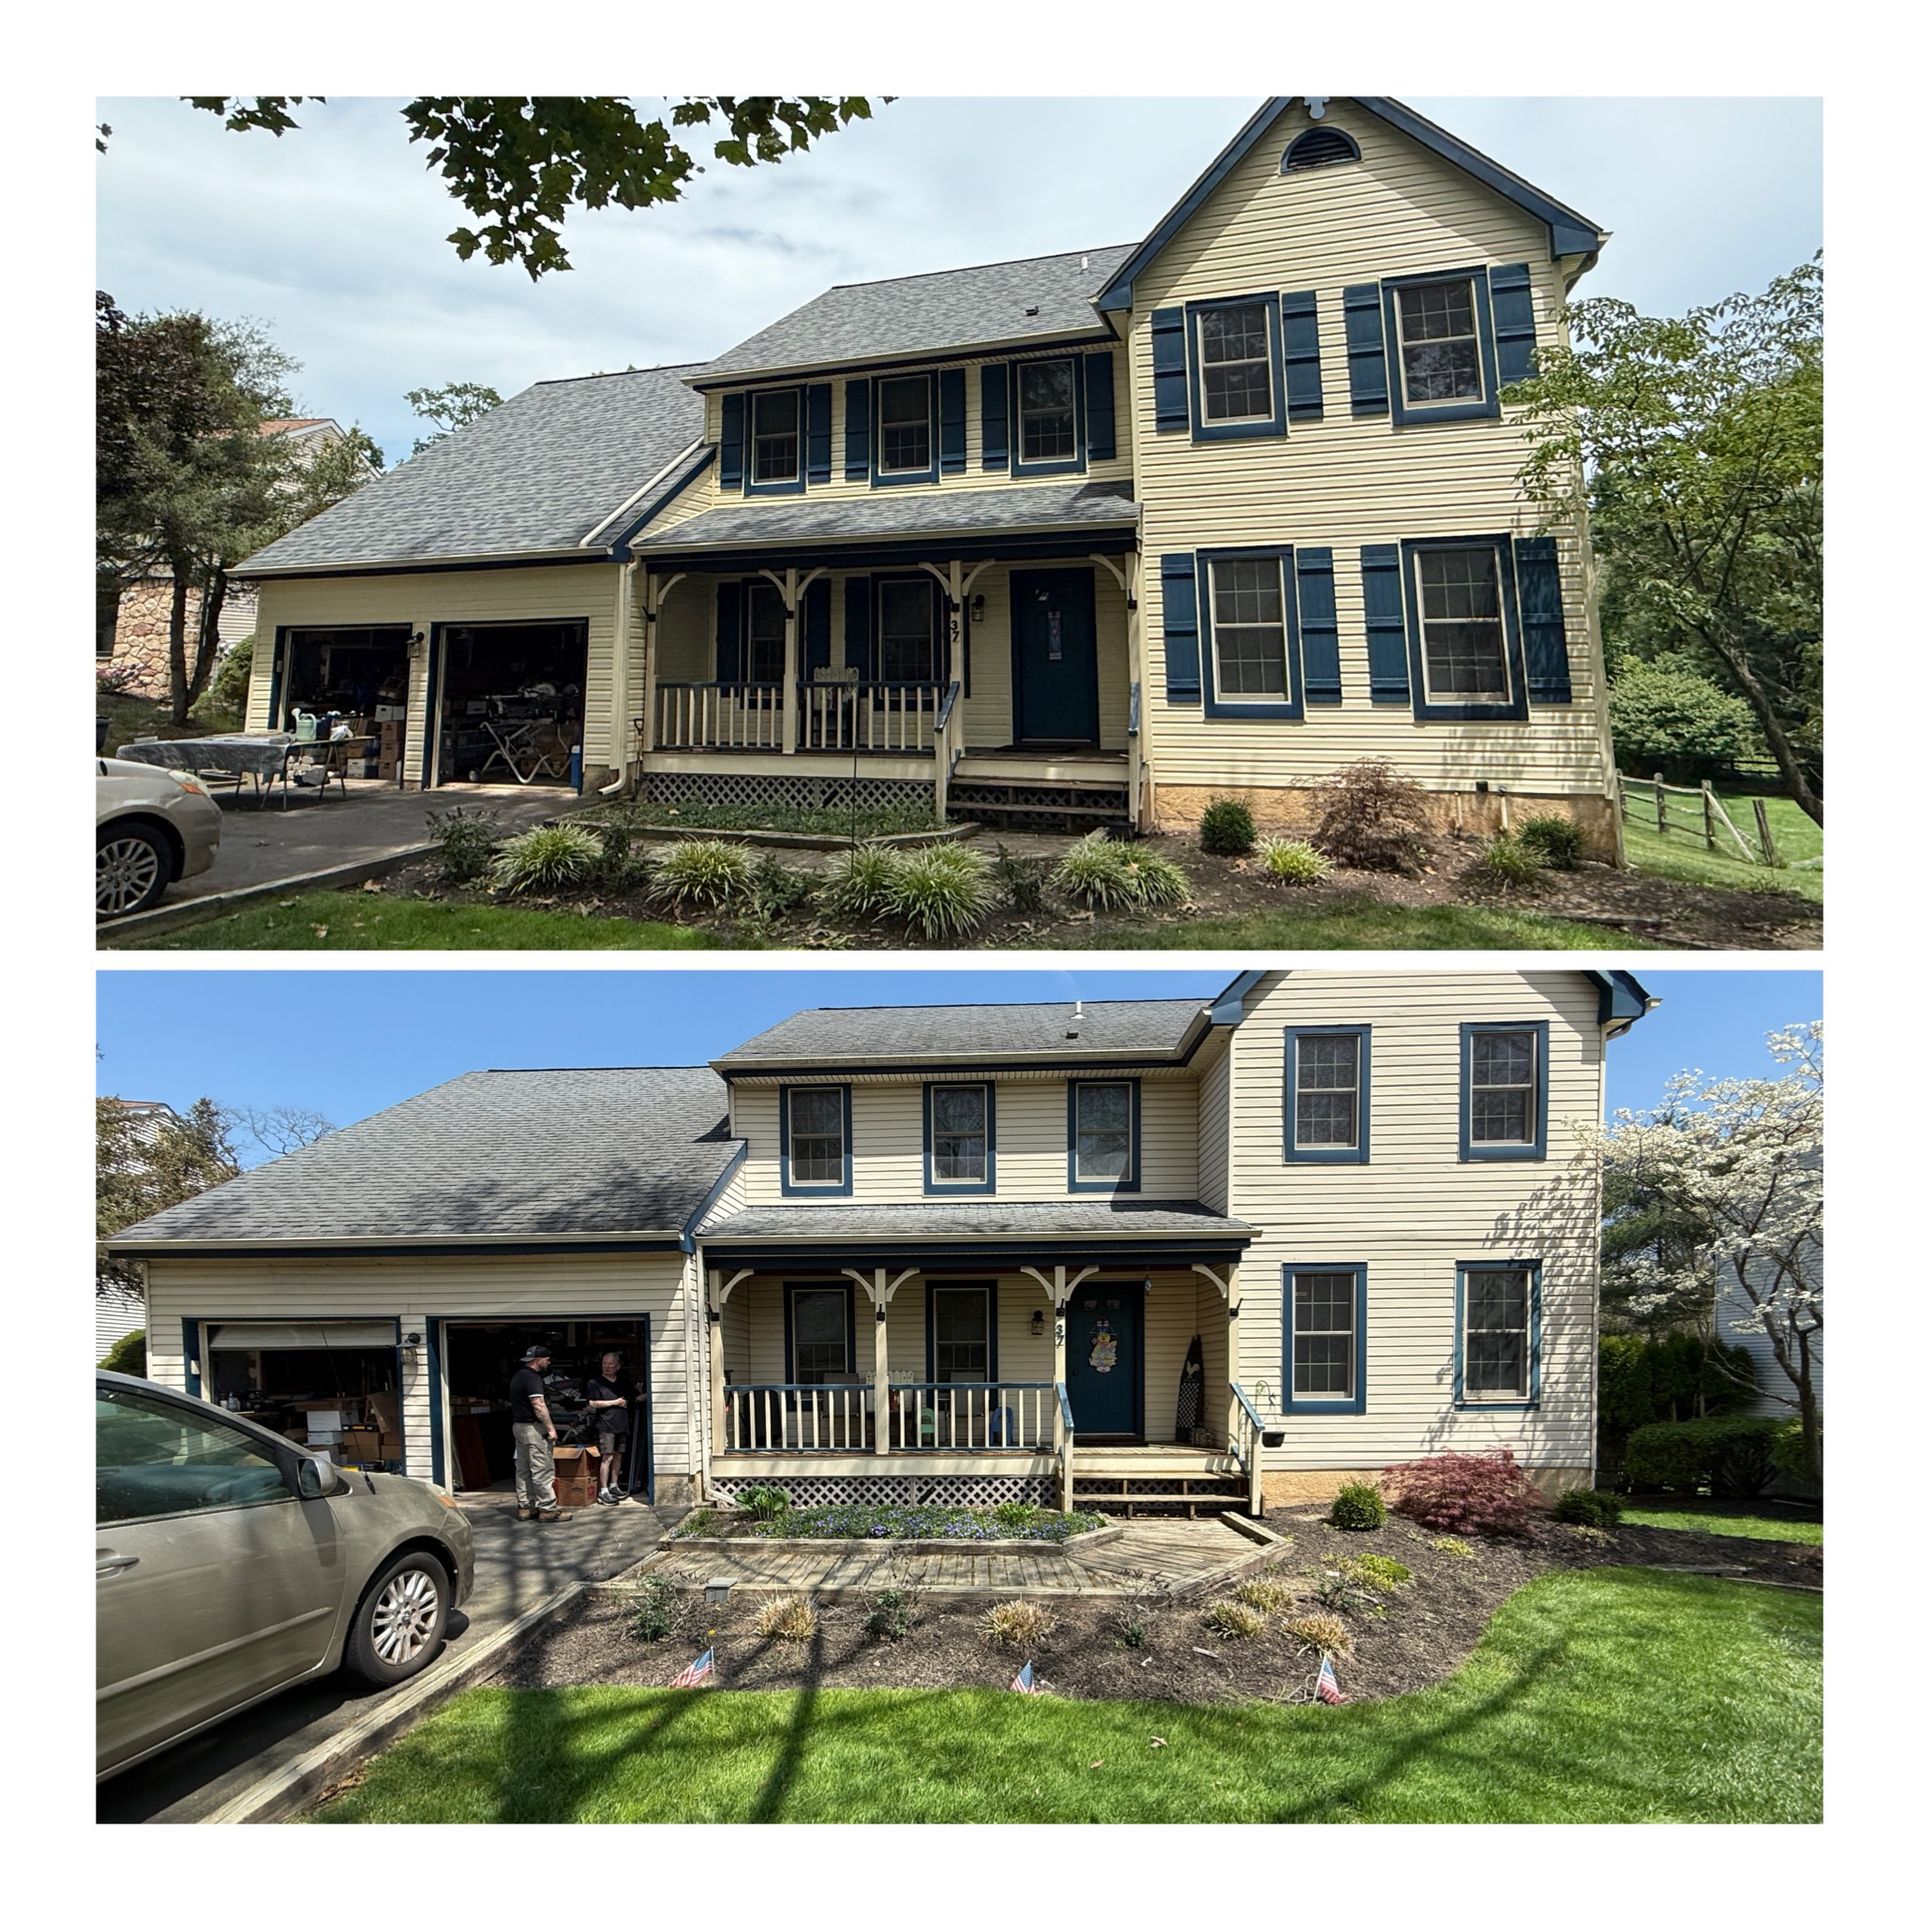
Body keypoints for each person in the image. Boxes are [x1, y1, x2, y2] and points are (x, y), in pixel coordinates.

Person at [509, 1345, 572, 1523]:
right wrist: (551, 1428)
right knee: (542, 1469)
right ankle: (547, 1509)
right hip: (534, 1429)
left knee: (523, 1469)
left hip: (519, 1427)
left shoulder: (518, 1376)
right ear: (538, 1360)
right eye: (547, 1359)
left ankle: (525, 1508)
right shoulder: (533, 1378)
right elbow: (538, 1405)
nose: (549, 1362)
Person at [584, 1350, 632, 1503]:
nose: (607, 1366)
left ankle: (614, 1485)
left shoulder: (623, 1381)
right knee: (607, 1457)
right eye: (604, 1363)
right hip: (606, 1425)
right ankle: (603, 1491)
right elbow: (592, 1403)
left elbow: (633, 1397)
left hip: (621, 1424)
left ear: (618, 1366)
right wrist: (615, 1402)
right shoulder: (594, 1382)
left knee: (618, 1455)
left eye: (611, 1364)